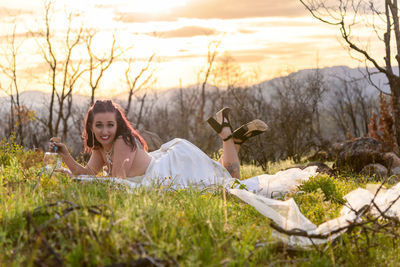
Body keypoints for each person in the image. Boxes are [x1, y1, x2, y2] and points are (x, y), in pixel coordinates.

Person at [49, 100, 268, 184]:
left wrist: (79, 181)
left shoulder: (122, 142)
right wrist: (65, 155)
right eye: (99, 126)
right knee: (217, 173)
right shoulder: (100, 149)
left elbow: (117, 182)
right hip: (162, 167)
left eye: (109, 125)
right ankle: (234, 144)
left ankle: (227, 135)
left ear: (117, 126)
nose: (104, 131)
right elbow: (88, 173)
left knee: (230, 180)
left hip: (171, 168)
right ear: (91, 127)